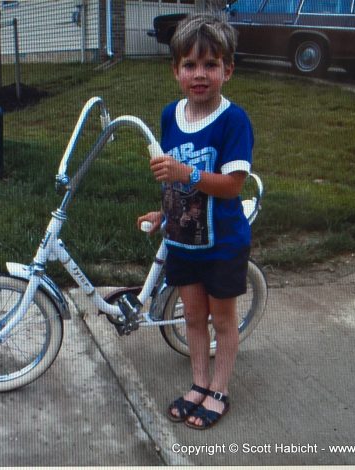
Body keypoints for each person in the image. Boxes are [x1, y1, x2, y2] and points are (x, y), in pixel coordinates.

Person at [137, 13, 254, 430]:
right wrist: (163, 212)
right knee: (191, 317)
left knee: (222, 319)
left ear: (228, 70)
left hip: (222, 243)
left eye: (210, 65)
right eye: (190, 65)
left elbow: (232, 185)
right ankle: (198, 384)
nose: (200, 74)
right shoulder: (171, 115)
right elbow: (173, 181)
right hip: (183, 240)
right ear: (175, 71)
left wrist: (186, 174)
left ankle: (219, 389)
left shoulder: (233, 120)